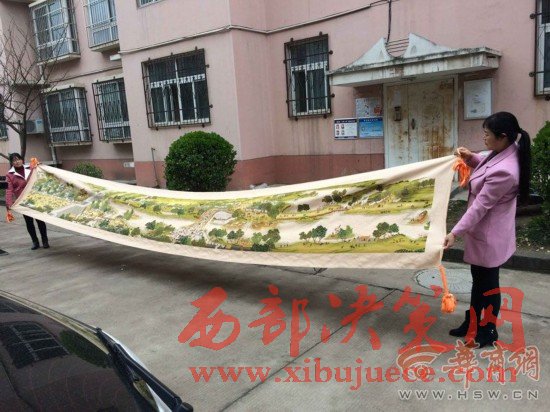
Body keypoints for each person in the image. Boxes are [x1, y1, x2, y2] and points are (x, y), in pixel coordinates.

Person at [443, 112, 531, 348]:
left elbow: (480, 207)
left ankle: (488, 329)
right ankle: (472, 322)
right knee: (479, 282)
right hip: (485, 232)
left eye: (487, 134)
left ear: (502, 137)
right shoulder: (505, 151)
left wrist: (454, 232)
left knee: (489, 285)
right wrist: (470, 157)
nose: (483, 138)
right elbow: (486, 163)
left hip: (490, 236)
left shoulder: (506, 171)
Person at [5, 152, 50, 250]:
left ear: (22, 160)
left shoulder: (31, 168)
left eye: (18, 159)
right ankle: (35, 242)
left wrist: (40, 165)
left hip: (36, 199)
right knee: (29, 222)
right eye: (14, 160)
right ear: (12, 163)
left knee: (40, 220)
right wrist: (8, 204)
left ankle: (45, 241)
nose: (17, 162)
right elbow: (9, 190)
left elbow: (41, 173)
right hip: (23, 201)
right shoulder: (9, 175)